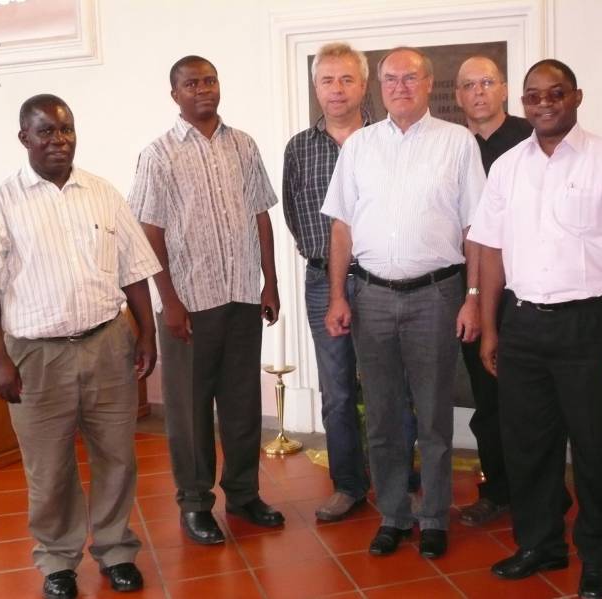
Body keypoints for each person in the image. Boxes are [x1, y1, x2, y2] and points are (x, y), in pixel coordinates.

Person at [468, 59, 602, 599]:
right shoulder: (507, 168)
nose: (544, 104)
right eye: (533, 96)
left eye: (555, 93)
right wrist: (491, 329)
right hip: (523, 324)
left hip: (592, 327)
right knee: (527, 447)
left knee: (597, 450)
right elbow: (491, 252)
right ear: (524, 104)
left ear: (575, 97)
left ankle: (599, 555)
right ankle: (540, 543)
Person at [0, 94, 161, 599]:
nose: (58, 140)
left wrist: (146, 332)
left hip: (107, 344)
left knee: (117, 456)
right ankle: (58, 561)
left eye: (66, 130)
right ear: (24, 137)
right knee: (49, 469)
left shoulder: (103, 193)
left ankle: (116, 550)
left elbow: (134, 269)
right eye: (46, 131)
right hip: (36, 356)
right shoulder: (1, 202)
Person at [322, 47, 486, 559]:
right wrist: (337, 296)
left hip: (437, 296)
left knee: (434, 416)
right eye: (390, 79)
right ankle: (393, 514)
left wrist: (473, 298)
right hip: (371, 297)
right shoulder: (360, 147)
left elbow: (475, 229)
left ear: (429, 82)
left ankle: (433, 516)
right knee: (383, 416)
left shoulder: (457, 143)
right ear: (380, 86)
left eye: (410, 77)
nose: (399, 86)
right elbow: (342, 227)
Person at [128, 55, 283, 545]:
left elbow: (261, 214)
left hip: (241, 295)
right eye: (191, 83)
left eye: (209, 80)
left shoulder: (243, 145)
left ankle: (243, 494)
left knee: (242, 404)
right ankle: (195, 504)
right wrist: (169, 301)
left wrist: (270, 282)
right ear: (174, 94)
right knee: (190, 411)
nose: (203, 89)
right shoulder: (158, 155)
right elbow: (148, 230)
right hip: (189, 305)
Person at [282, 42, 371, 521]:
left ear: (363, 85)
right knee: (337, 391)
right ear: (316, 87)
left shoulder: (386, 140)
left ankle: (399, 480)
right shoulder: (299, 148)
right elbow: (294, 213)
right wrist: (321, 257)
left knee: (392, 388)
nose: (337, 89)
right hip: (322, 282)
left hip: (382, 283)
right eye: (327, 80)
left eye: (346, 79)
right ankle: (349, 485)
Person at [453, 56, 532, 527]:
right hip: (470, 292)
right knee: (487, 398)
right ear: (458, 95)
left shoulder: (530, 137)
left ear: (503, 89)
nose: (478, 92)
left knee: (528, 399)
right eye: (469, 85)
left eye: (487, 82)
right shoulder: (451, 145)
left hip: (524, 292)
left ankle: (539, 494)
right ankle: (498, 489)